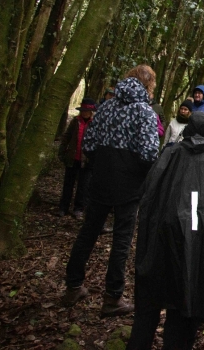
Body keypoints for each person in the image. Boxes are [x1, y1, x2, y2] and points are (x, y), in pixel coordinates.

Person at [127, 113, 204, 350]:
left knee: (151, 303)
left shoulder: (173, 154)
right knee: (183, 302)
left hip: (160, 238)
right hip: (193, 245)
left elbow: (147, 196)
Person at [62, 65, 159, 317]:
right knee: (122, 240)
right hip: (129, 185)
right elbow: (149, 154)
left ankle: (73, 286)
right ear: (149, 86)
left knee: (88, 232)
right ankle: (112, 297)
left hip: (101, 179)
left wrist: (102, 164)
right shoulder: (144, 112)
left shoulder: (105, 106)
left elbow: (89, 143)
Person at [57, 98, 96, 219]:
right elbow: (66, 137)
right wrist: (62, 152)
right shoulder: (75, 121)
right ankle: (63, 207)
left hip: (87, 160)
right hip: (72, 157)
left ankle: (78, 209)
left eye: (86, 111)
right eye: (82, 110)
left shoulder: (95, 123)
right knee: (68, 184)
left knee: (83, 186)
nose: (84, 113)